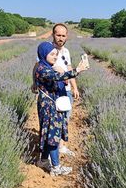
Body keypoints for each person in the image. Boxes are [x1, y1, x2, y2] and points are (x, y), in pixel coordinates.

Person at [35, 41, 89, 176]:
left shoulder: (46, 66)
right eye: (52, 54)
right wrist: (77, 70)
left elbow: (60, 78)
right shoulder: (43, 68)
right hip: (49, 107)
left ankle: (43, 161)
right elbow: (58, 77)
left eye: (56, 54)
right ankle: (56, 167)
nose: (55, 57)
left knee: (49, 133)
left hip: (51, 104)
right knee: (53, 135)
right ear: (44, 54)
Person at [31, 23, 77, 156]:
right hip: (52, 93)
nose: (61, 38)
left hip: (65, 90)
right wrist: (35, 82)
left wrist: (74, 87)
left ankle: (59, 146)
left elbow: (69, 70)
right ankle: (50, 153)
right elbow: (37, 66)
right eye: (58, 35)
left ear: (67, 36)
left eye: (63, 35)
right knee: (51, 123)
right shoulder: (47, 49)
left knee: (64, 119)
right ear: (53, 35)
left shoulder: (66, 51)